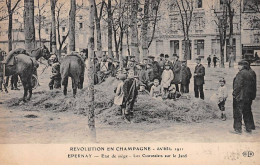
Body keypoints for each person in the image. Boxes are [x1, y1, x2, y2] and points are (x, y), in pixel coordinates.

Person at [232, 60, 257, 134]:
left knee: (237, 113)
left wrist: (234, 94)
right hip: (249, 97)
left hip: (240, 97)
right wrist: (253, 96)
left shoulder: (241, 73)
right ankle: (249, 128)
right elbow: (254, 86)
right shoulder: (252, 72)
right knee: (247, 112)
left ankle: (238, 129)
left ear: (243, 66)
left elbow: (237, 86)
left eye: (239, 65)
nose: (238, 67)